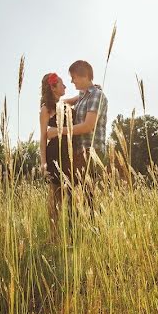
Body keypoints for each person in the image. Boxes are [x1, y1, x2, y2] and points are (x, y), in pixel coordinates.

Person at [47, 60, 107, 202]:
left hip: (90, 151)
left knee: (87, 198)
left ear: (84, 76)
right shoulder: (82, 95)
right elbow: (64, 102)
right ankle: (75, 223)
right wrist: (50, 103)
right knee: (76, 198)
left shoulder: (96, 96)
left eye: (73, 77)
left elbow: (88, 126)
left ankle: (91, 223)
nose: (72, 81)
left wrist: (58, 131)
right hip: (78, 152)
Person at [39, 72, 72, 233]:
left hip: (69, 153)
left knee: (70, 194)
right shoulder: (46, 109)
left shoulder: (64, 104)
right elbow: (43, 137)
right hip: (54, 154)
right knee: (55, 196)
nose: (65, 86)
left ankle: (67, 231)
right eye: (61, 84)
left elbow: (75, 100)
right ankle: (54, 234)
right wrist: (43, 162)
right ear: (53, 87)